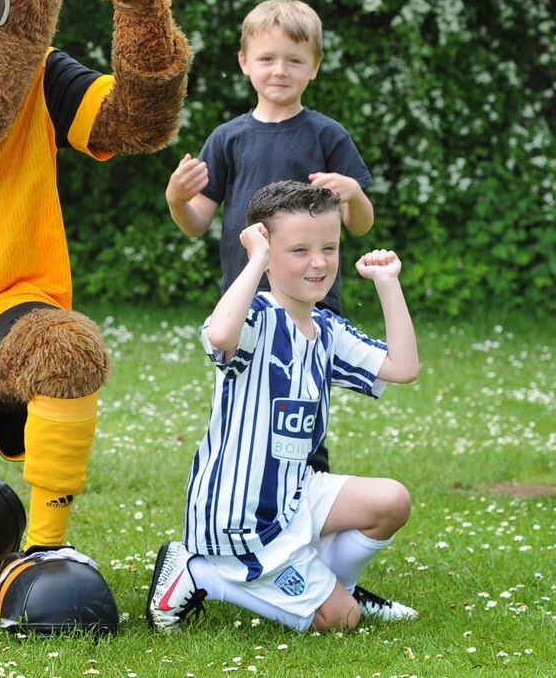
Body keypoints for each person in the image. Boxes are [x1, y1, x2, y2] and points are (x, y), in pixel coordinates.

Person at [147, 181, 419, 634]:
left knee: (391, 501)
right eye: (299, 250)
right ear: (268, 251)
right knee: (343, 622)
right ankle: (197, 573)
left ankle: (334, 587)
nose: (319, 261)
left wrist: (387, 284)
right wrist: (255, 258)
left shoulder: (326, 329)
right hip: (240, 517)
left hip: (293, 496)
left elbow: (403, 367)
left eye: (329, 247)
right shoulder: (255, 317)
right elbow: (219, 336)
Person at [165, 0, 374, 475]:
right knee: (239, 407)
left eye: (295, 60)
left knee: (302, 409)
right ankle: (237, 488)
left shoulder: (327, 136)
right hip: (245, 300)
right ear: (244, 63)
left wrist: (353, 195)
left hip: (310, 301)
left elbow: (360, 224)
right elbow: (197, 221)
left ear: (314, 68)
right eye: (267, 59)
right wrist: (178, 200)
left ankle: (307, 493)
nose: (280, 71)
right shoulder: (227, 138)